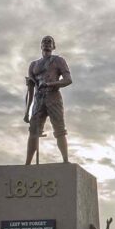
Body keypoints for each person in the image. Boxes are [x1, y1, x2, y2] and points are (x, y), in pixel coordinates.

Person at [24, 35, 72, 164]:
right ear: (41, 45)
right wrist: (27, 111)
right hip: (38, 99)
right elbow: (31, 88)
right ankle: (28, 163)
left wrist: (51, 84)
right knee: (33, 131)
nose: (46, 43)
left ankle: (65, 161)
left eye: (49, 41)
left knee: (59, 129)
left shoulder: (58, 60)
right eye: (44, 41)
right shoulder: (33, 65)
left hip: (53, 96)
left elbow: (68, 80)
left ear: (53, 46)